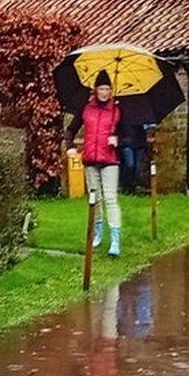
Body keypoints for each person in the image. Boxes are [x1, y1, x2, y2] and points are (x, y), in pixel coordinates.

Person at [65, 71, 122, 257]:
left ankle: (115, 239)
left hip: (110, 160)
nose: (104, 92)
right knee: (94, 199)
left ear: (111, 91)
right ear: (95, 89)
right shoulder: (86, 108)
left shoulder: (117, 111)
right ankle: (97, 231)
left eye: (107, 89)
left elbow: (131, 135)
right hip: (90, 159)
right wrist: (70, 146)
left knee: (111, 198)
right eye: (101, 88)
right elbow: (71, 129)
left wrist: (118, 139)